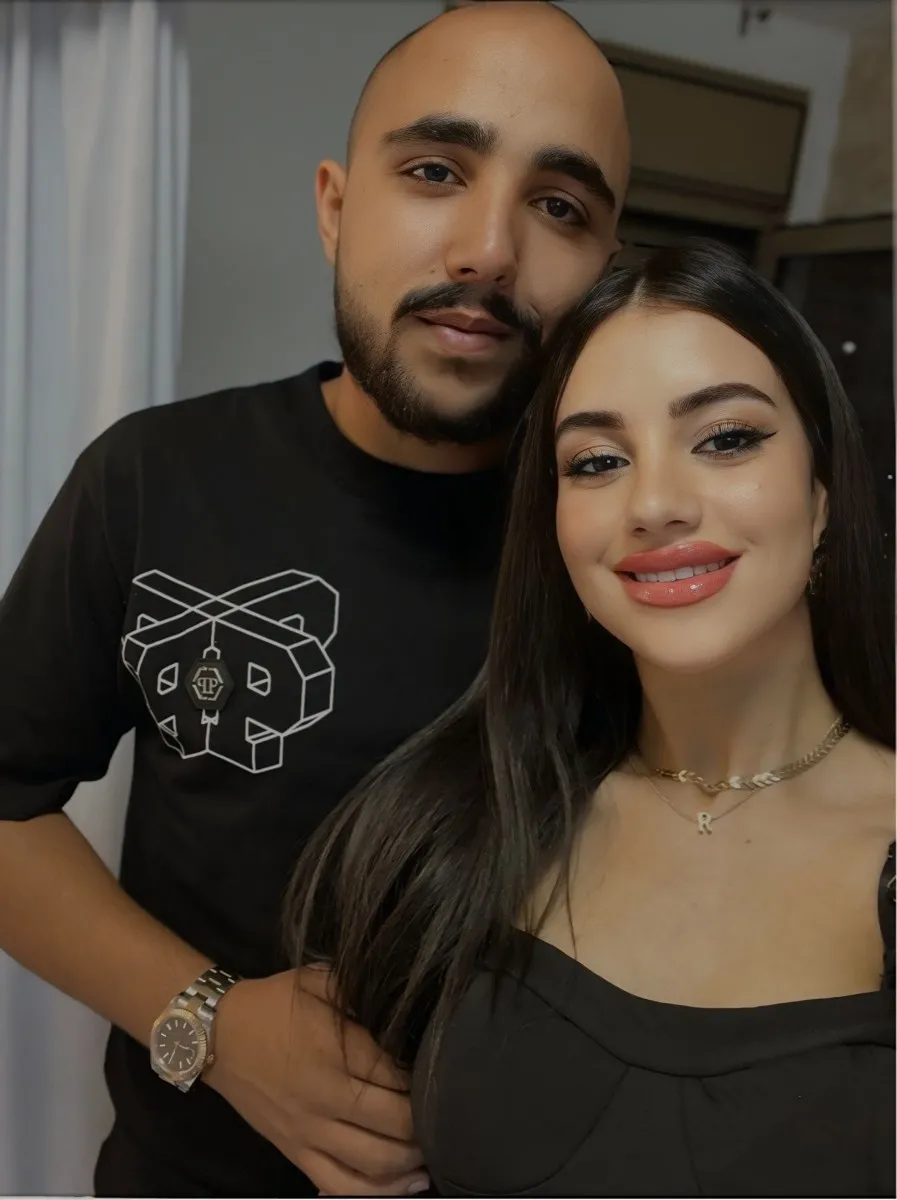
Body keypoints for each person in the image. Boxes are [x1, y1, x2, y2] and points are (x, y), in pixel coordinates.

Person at [0, 3, 630, 1197]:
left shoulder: (629, 543)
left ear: (607, 266)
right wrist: (211, 1022)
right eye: (435, 171)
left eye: (560, 206)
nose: (489, 250)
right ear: (337, 206)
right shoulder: (157, 479)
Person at [287, 239, 896, 1197]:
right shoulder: (458, 821)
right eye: (598, 460)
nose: (654, 504)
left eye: (725, 439)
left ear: (821, 494)